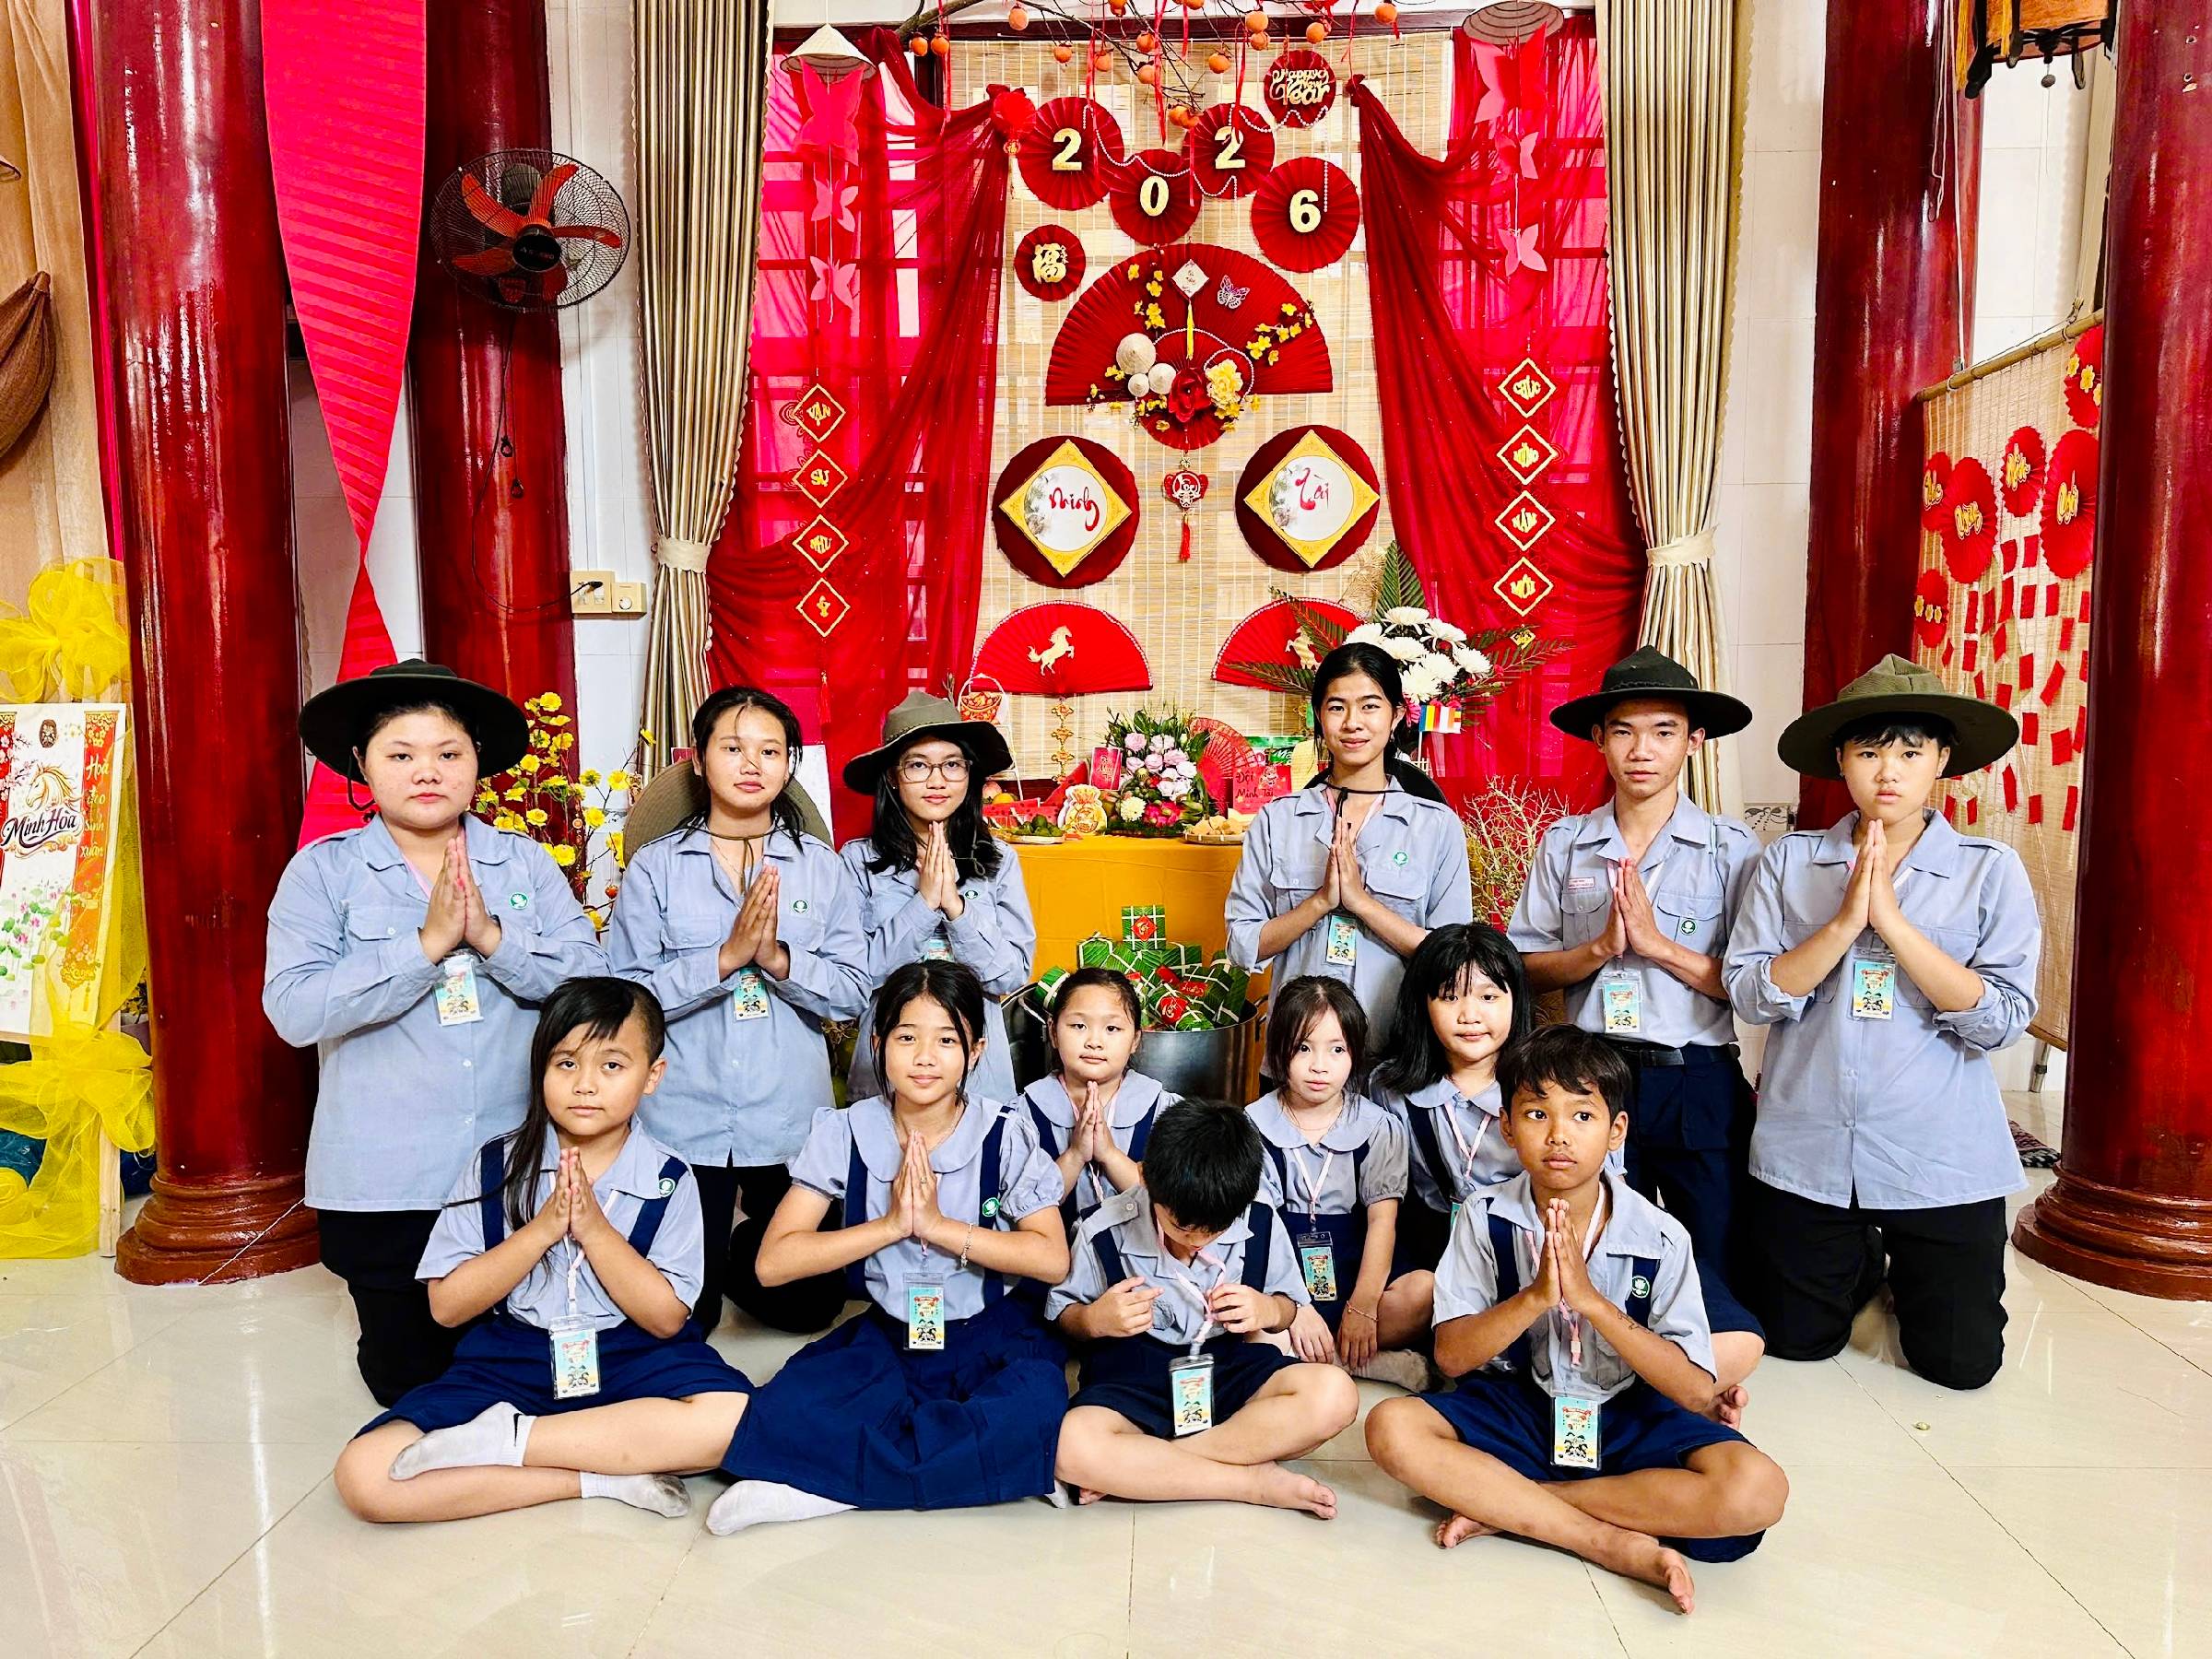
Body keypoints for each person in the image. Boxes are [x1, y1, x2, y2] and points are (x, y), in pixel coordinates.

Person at [266, 661, 606, 1406]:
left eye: (448, 753)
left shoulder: (523, 863)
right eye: (401, 754)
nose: (427, 771)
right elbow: (293, 1010)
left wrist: (490, 938)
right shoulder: (322, 873)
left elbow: (591, 983)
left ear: (476, 762)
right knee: (410, 1382)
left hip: (514, 1166)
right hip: (387, 1175)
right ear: (361, 764)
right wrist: (424, 947)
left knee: (530, 1368)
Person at [1364, 1028, 1789, 1616]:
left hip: (1625, 1410)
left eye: (1583, 1115)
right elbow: (1452, 1358)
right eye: (1536, 1114)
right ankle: (1604, 1541)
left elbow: (1696, 1390)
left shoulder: (1662, 1235)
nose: (1559, 1135)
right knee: (1391, 1427)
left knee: (1757, 1490)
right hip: (1522, 1403)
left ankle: (1518, 1504)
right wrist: (1536, 1297)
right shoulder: (1483, 1217)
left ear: (1617, 1131)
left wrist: (1592, 1303)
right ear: (1507, 1127)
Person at [1725, 655, 2039, 1391]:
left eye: (1910, 753)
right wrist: (1843, 925)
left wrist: (1892, 922)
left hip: (1938, 1156)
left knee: (1959, 1366)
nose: (1888, 772)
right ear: (1841, 759)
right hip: (1809, 1148)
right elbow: (1749, 994)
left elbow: (2002, 1019)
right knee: (1796, 1341)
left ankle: (1910, 1258)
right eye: (1868, 753)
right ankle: (1864, 1256)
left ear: (1943, 761)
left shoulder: (1989, 868)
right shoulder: (1790, 862)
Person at [332, 978, 752, 1524]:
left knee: (735, 1419)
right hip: (515, 1355)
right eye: (566, 1063)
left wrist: (595, 1231)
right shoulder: (493, 1167)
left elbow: (667, 1319)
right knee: (365, 1475)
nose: (585, 1085)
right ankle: (597, 1477)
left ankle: (510, 1441)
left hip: (633, 1353)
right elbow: (446, 1308)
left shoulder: (669, 1178)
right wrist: (542, 1230)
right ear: (540, 1069)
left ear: (653, 1076)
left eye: (612, 1066)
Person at [707, 960, 1070, 1535]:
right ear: (877, 1043)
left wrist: (938, 1226)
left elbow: (1051, 1258)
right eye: (906, 1038)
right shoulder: (845, 1131)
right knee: (789, 1401)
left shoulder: (1005, 1132)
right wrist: (892, 1226)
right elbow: (773, 1264)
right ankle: (972, 1470)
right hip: (890, 1333)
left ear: (975, 1051)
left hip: (989, 1335)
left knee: (1033, 1404)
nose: (925, 1057)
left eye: (946, 1040)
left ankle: (826, 1485)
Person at [1506, 648, 1768, 1405]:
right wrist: (1595, 951)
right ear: (1599, 740)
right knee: (1594, 1232)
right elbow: (1524, 967)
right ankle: (1592, 1374)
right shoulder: (1566, 843)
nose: (1641, 750)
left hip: (1695, 1075)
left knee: (1709, 1238)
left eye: (1663, 731)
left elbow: (1752, 985)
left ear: (1694, 741)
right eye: (1623, 731)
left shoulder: (1732, 849)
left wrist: (1657, 947)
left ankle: (1702, 1384)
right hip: (1591, 1079)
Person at [607, 687, 869, 1335]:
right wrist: (721, 961)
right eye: (732, 747)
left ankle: (734, 1251)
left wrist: (779, 960)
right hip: (685, 1114)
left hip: (787, 1114)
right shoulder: (656, 868)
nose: (751, 764)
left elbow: (854, 990)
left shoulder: (821, 868)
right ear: (700, 760)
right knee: (681, 1320)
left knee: (810, 1306)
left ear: (789, 765)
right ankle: (706, 1262)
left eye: (770, 751)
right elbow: (625, 995)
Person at [1049, 1100, 1357, 1515]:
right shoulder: (1102, 1229)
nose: (1196, 1242)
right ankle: (1249, 1482)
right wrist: (1093, 1319)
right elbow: (1065, 1315)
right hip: (1131, 1378)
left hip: (1227, 1370)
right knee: (1072, 1445)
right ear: (1145, 1178)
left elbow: (1288, 1307)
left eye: (1215, 1231)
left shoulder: (1258, 1219)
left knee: (1335, 1395)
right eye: (1181, 1226)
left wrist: (1267, 1310)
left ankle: (1147, 1464)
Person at [1226, 643, 1473, 1042]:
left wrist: (1362, 903)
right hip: (1298, 1053)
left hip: (1393, 1052)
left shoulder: (1436, 826)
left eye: (1370, 706)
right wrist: (1319, 903)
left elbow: (1453, 956)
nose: (1353, 723)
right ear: (1318, 715)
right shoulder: (1276, 821)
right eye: (1337, 707)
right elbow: (1243, 945)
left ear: (1396, 715)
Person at [841, 692, 1034, 1106]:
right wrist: (924, 903)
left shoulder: (1000, 860)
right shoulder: (857, 861)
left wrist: (956, 908)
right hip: (890, 1064)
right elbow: (855, 977)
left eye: (952, 764)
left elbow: (1011, 975)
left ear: (969, 774)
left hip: (978, 1068)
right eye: (918, 765)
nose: (937, 781)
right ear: (892, 777)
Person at [1369, 924, 1538, 1333]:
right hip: (1432, 1242)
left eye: (1488, 997)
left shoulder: (1546, 1085)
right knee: (1413, 1298)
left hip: (1521, 1242)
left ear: (1515, 1000)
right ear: (1422, 1004)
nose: (1470, 1016)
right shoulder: (1390, 1089)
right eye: (1449, 997)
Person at [1243, 977, 1413, 1371]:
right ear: (1278, 1050)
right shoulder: (1252, 1124)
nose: (1319, 1066)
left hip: (1356, 1268)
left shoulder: (1379, 1127)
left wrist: (1363, 1306)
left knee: (1422, 1293)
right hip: (1283, 1272)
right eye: (1303, 1048)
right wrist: (1296, 1307)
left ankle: (1325, 1356)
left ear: (1355, 1053)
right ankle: (1353, 1362)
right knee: (1251, 1326)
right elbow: (1262, 1227)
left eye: (1337, 1049)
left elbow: (1382, 1222)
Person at [1016, 966, 1176, 1226]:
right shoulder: (1021, 1117)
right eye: (1079, 1025)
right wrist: (1075, 1155)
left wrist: (1110, 1155)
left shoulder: (1166, 1111)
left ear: (1135, 1040)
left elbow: (1177, 1207)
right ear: (1053, 1032)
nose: (1094, 1041)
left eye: (1112, 1028)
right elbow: (1019, 1210)